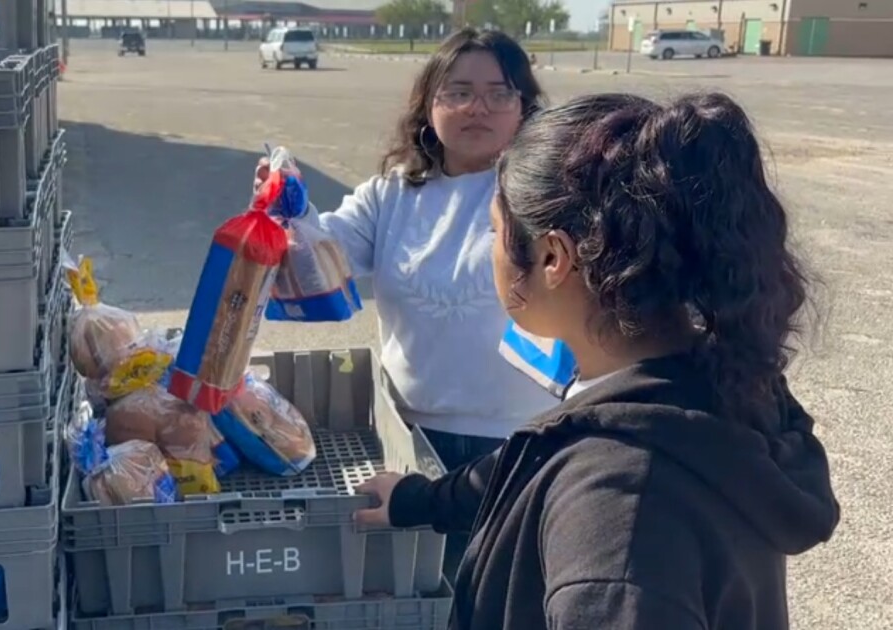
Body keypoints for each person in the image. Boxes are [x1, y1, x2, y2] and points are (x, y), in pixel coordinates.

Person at [355, 92, 840, 629]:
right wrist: (420, 500)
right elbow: (536, 459)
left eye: (495, 231)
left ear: (552, 257)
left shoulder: (617, 515)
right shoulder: (699, 388)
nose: (490, 248)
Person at [257, 27, 558, 578]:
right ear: (428, 105)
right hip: (414, 440)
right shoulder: (392, 194)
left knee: (505, 599)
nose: (478, 108)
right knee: (420, 594)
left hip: (520, 446)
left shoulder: (552, 196)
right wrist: (288, 212)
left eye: (499, 92)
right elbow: (321, 262)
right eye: (458, 91)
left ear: (524, 107)